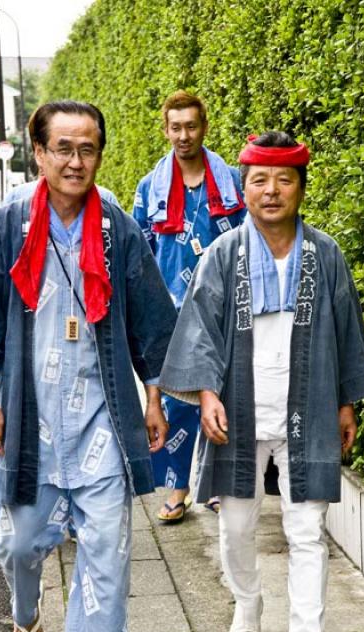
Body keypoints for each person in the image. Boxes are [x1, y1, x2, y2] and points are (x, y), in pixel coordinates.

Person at [0, 100, 177, 632]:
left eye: (88, 149)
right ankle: (25, 612)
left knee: (108, 544)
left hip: (102, 412)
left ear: (98, 154)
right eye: (64, 148)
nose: (76, 161)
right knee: (20, 544)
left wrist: (153, 398)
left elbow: (151, 320)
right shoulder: (4, 226)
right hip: (31, 415)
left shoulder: (117, 228)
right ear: (40, 152)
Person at [159, 131, 364, 632]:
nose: (272, 191)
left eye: (284, 180)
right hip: (240, 409)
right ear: (244, 187)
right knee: (236, 527)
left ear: (301, 187)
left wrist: (346, 401)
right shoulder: (223, 254)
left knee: (308, 531)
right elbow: (200, 329)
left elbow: (346, 329)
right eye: (259, 180)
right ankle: (247, 604)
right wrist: (206, 394)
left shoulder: (324, 254)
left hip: (308, 407)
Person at [133, 91, 246, 523]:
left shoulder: (232, 181)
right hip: (172, 310)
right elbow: (142, 253)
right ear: (166, 130)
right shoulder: (151, 187)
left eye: (191, 126)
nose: (184, 135)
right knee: (177, 402)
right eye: (175, 127)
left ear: (205, 127)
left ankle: (216, 485)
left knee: (223, 394)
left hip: (223, 307)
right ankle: (178, 489)